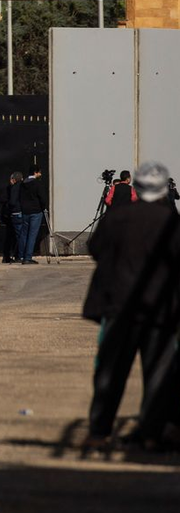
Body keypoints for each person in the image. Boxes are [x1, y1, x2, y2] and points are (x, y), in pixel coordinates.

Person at [82, 161, 180, 447]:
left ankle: (99, 431)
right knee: (158, 372)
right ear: (164, 189)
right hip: (159, 308)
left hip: (120, 305)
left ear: (136, 186)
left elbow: (96, 248)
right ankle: (152, 433)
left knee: (110, 372)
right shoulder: (171, 222)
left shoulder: (118, 217)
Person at [17, 167, 47, 264]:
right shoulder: (37, 184)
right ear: (35, 172)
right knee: (32, 235)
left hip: (25, 211)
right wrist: (43, 207)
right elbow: (42, 198)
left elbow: (19, 198)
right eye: (39, 172)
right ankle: (28, 257)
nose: (40, 174)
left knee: (24, 234)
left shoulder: (23, 184)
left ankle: (20, 255)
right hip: (36, 211)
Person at [1, 172, 24, 264]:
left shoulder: (12, 188)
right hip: (16, 214)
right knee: (18, 235)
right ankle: (18, 255)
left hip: (11, 214)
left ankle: (9, 256)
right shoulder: (21, 187)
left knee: (11, 236)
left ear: (13, 180)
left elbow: (10, 201)